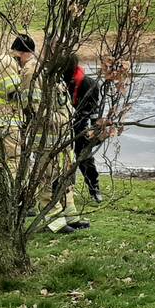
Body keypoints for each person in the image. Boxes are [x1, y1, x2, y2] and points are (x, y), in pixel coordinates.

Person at [9, 34, 87, 233]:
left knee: (58, 178)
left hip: (56, 134)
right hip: (54, 134)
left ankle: (67, 216)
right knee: (53, 178)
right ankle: (56, 221)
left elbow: (40, 105)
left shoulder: (38, 70)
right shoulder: (37, 70)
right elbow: (37, 106)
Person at [62, 54, 103, 203]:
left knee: (85, 158)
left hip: (81, 126)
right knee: (61, 161)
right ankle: (64, 191)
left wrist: (94, 132)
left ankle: (94, 188)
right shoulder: (57, 81)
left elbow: (94, 111)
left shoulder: (88, 84)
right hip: (61, 125)